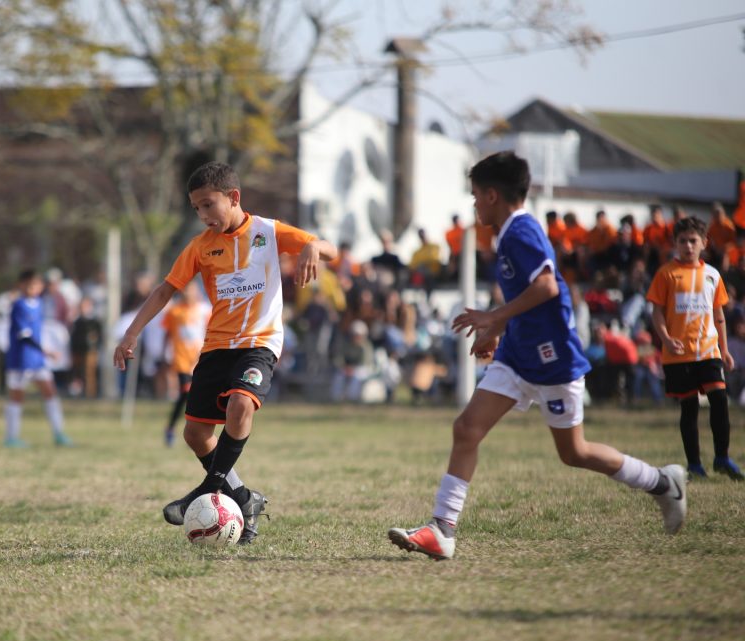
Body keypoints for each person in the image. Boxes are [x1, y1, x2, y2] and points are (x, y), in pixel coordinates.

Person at [387, 151, 687, 561]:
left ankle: (662, 483)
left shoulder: (520, 231)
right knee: (467, 429)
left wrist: (494, 316)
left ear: (492, 195)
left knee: (573, 453)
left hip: (553, 361)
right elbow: (527, 296)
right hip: (516, 355)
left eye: (476, 195)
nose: (474, 204)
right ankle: (442, 530)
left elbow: (546, 287)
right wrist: (498, 329)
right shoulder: (507, 234)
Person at [113, 161, 337, 544]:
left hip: (259, 343)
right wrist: (132, 332)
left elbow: (329, 249)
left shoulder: (268, 231)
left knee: (240, 405)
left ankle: (207, 489)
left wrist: (313, 246)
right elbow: (166, 289)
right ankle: (244, 498)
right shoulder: (200, 247)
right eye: (196, 208)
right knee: (196, 434)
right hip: (216, 345)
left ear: (233, 198)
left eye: (207, 205)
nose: (202, 215)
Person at [646, 216, 743, 481]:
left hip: (709, 351)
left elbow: (719, 314)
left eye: (693, 241)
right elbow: (656, 312)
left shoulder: (712, 275)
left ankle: (722, 457)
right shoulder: (666, 274)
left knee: (720, 401)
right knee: (688, 409)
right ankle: (694, 465)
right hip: (678, 354)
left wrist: (724, 349)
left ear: (704, 243)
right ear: (675, 244)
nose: (688, 246)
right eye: (682, 241)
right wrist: (665, 338)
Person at [4, 270, 73, 447]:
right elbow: (24, 335)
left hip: (37, 359)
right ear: (21, 285)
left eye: (36, 285)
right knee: (17, 397)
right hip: (21, 359)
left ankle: (59, 433)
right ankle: (11, 437)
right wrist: (46, 350)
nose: (32, 289)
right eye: (29, 285)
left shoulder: (39, 303)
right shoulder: (18, 305)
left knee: (50, 392)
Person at [160, 282, 209, 446]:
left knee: (194, 397)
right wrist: (164, 354)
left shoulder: (204, 310)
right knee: (187, 391)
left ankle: (190, 431)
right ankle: (174, 429)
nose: (189, 293)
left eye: (192, 290)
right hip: (181, 360)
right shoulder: (174, 311)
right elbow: (167, 334)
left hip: (200, 360)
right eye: (186, 290)